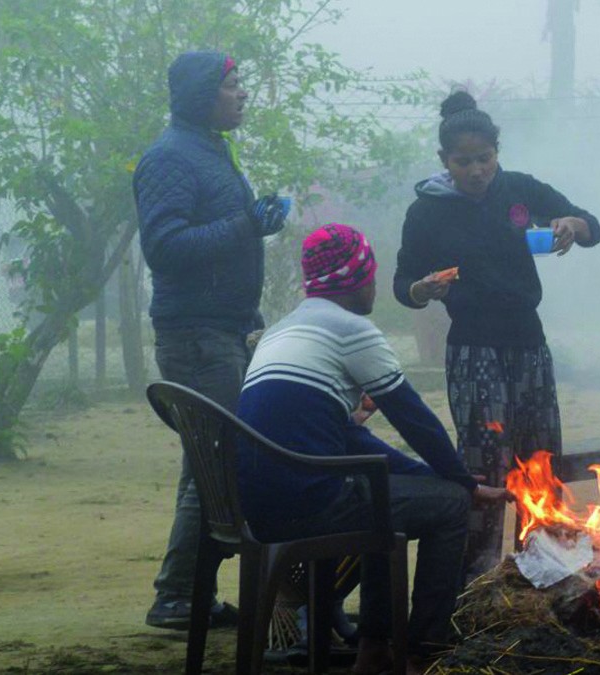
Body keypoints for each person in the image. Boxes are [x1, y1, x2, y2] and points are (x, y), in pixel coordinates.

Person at [237, 224, 509, 674]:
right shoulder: (350, 331)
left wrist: (425, 473)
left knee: (391, 499)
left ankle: (375, 649)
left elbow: (347, 437)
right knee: (449, 505)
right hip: (310, 503)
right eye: (373, 275)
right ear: (360, 279)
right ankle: (424, 650)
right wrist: (459, 481)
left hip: (258, 505)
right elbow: (413, 417)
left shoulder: (285, 330)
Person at [392, 90, 600, 579]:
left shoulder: (519, 190)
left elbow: (592, 226)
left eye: (484, 159)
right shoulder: (426, 211)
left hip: (529, 343)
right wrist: (422, 290)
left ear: (496, 155)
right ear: (444, 161)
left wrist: (573, 223)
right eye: (464, 162)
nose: (477, 170)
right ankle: (481, 581)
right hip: (472, 350)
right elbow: (403, 283)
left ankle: (544, 573)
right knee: (486, 464)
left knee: (540, 458)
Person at [134, 50, 292, 630]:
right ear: (204, 94)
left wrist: (256, 224)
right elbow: (165, 247)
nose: (243, 93)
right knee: (221, 464)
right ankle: (180, 596)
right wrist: (246, 223)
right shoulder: (170, 158)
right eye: (233, 84)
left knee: (209, 464)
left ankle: (180, 595)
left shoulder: (206, 151)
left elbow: (211, 239)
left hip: (220, 332)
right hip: (196, 339)